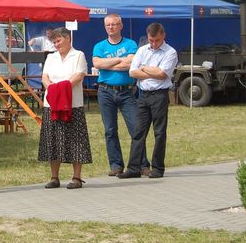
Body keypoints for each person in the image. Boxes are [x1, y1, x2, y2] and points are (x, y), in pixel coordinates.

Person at [118, 23, 178, 180]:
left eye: (157, 40)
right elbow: (132, 72)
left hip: (159, 95)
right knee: (138, 132)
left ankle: (158, 167)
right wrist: (149, 70)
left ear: (163, 36)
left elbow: (162, 74)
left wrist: (143, 68)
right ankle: (133, 168)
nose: (153, 43)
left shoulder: (170, 52)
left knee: (159, 132)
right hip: (143, 95)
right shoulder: (142, 50)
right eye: (151, 40)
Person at [92, 14, 149, 177]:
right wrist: (119, 61)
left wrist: (107, 64)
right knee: (110, 130)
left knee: (136, 129)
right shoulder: (99, 46)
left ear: (121, 25)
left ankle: (142, 164)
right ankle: (116, 165)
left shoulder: (130, 44)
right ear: (105, 27)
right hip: (105, 91)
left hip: (127, 92)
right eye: (108, 25)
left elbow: (131, 63)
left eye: (114, 24)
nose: (111, 27)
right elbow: (97, 64)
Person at [38, 27, 92, 190]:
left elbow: (78, 76)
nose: (56, 44)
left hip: (72, 104)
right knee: (53, 140)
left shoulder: (78, 55)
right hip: (52, 104)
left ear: (68, 38)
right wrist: (52, 89)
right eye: (54, 42)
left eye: (59, 41)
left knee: (75, 140)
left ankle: (76, 177)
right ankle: (54, 176)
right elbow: (44, 77)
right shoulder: (51, 57)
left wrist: (61, 88)